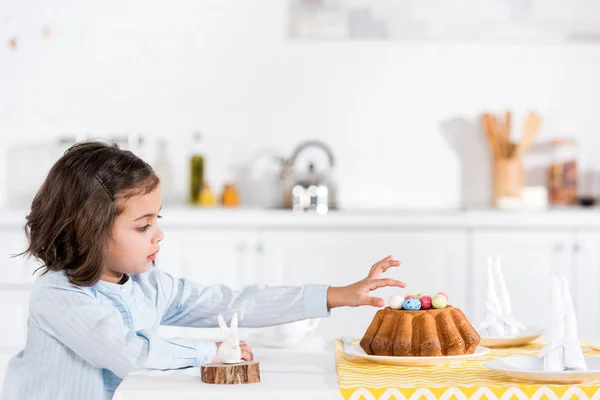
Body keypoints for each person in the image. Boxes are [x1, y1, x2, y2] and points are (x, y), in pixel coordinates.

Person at [0, 141, 404, 400]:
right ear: (90, 228)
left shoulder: (146, 284)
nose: (159, 235)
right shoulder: (59, 296)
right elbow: (129, 353)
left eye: (157, 219)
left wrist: (334, 295)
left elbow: (228, 304)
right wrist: (213, 352)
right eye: (143, 226)